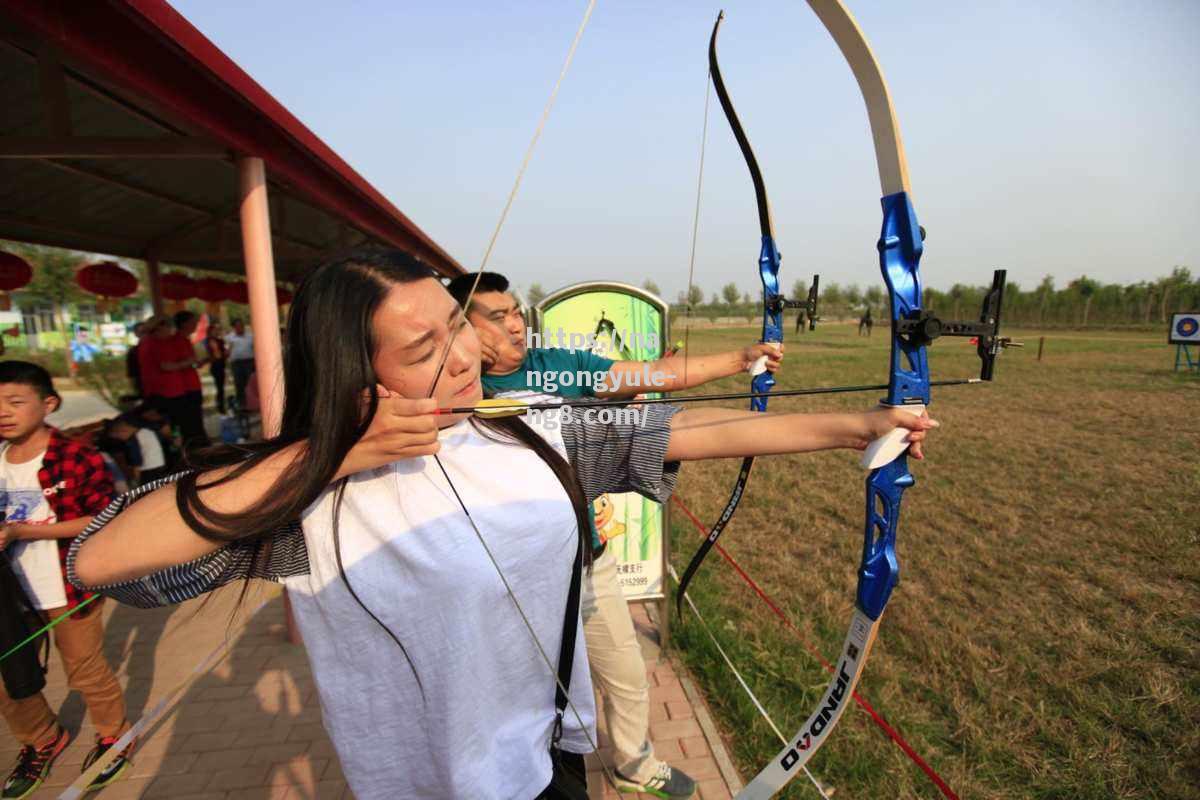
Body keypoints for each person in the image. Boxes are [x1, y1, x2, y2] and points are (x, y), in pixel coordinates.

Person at [66, 248, 935, 800]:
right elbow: (101, 558)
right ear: (351, 373)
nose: (464, 357)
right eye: (422, 352)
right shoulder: (303, 497)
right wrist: (325, 459)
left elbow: (698, 430)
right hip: (423, 779)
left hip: (544, 755)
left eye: (457, 329)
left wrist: (862, 425)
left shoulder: (525, 425)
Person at [447, 272, 781, 798]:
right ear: (461, 328)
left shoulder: (559, 365)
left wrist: (740, 359)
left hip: (588, 556)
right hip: (513, 576)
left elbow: (649, 374)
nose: (515, 323)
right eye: (498, 315)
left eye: (516, 311)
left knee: (624, 672)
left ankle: (633, 764)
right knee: (520, 691)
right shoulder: (455, 395)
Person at [0, 361, 133, 798]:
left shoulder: (75, 456)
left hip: (67, 585)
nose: (4, 411)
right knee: (9, 676)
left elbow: (102, 517)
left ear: (48, 403)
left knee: (86, 671)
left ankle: (114, 736)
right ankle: (42, 740)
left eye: (16, 402)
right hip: (9, 594)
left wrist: (22, 531)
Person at [225, 318, 255, 410]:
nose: (240, 328)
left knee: (250, 383)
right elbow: (227, 352)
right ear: (234, 327)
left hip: (249, 362)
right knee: (239, 384)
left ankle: (252, 403)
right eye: (237, 326)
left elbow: (255, 349)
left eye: (241, 326)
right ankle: (241, 404)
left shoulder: (250, 336)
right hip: (236, 363)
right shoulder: (229, 338)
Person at [204, 321, 229, 414]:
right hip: (216, 366)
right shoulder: (209, 340)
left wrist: (226, 353)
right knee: (219, 387)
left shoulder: (220, 340)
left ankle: (221, 404)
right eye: (214, 330)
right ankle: (220, 406)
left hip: (221, 365)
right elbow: (216, 354)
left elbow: (223, 354)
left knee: (221, 387)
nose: (216, 331)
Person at [124, 322, 146, 398]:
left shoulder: (157, 348)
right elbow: (131, 374)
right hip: (143, 386)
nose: (145, 335)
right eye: (142, 332)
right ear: (136, 334)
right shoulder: (133, 351)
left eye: (147, 331)